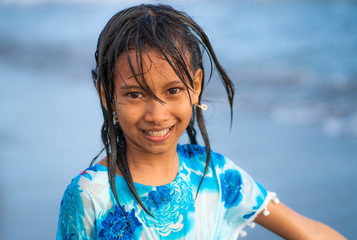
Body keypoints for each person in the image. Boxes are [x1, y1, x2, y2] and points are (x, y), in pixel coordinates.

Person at [57, 4, 346, 240]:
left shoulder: (218, 176)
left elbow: (311, 232)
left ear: (195, 87)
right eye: (134, 94)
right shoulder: (90, 195)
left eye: (173, 91)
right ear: (106, 94)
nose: (157, 115)